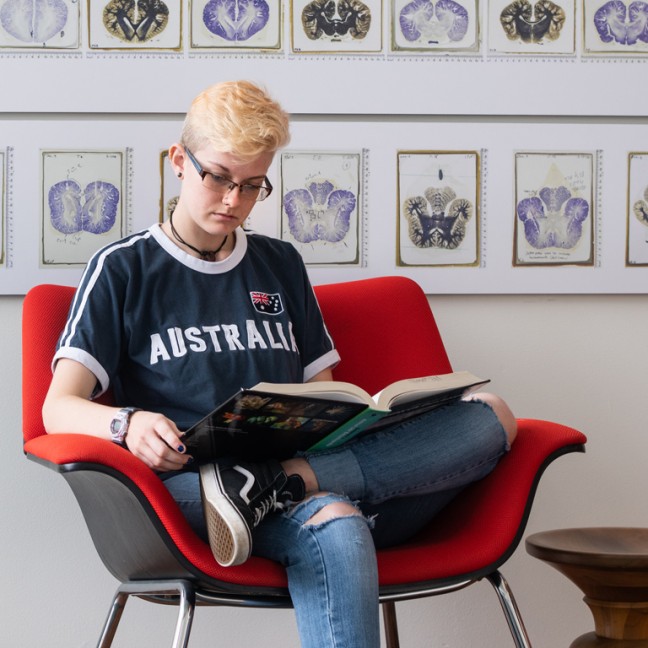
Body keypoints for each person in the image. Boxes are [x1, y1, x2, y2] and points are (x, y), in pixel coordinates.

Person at [42, 80, 517, 648]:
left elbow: (326, 393)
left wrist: (355, 420)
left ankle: (286, 482)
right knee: (337, 525)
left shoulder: (279, 263)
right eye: (217, 176)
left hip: (297, 476)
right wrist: (128, 423)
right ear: (178, 161)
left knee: (490, 415)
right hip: (197, 490)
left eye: (251, 186)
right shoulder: (123, 269)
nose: (232, 201)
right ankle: (297, 491)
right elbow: (57, 408)